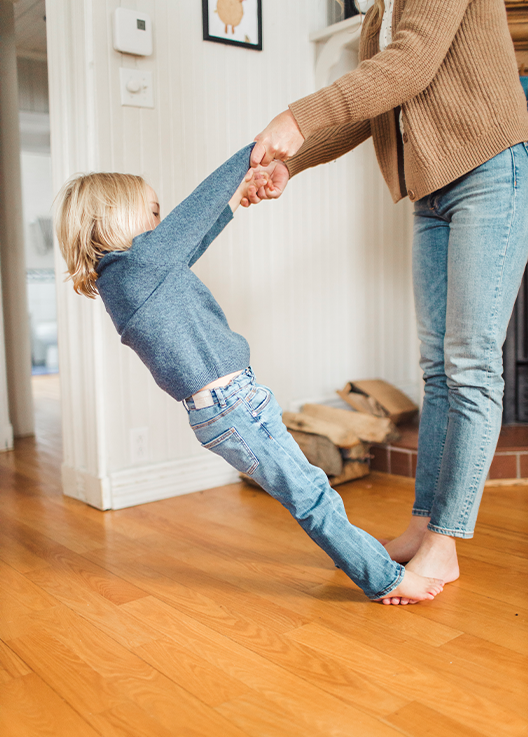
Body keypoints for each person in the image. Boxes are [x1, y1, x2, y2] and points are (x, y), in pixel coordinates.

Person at [54, 143, 444, 604]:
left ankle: (361, 560)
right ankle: (385, 580)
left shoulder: (129, 275)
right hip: (233, 407)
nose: (161, 226)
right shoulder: (135, 269)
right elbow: (196, 212)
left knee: (310, 493)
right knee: (313, 497)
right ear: (115, 219)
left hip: (235, 404)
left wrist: (236, 200)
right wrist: (252, 154)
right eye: (153, 215)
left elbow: (191, 239)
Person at [245, 0, 528, 604]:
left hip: (489, 171)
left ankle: (446, 542)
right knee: (437, 369)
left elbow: (411, 66)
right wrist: (293, 163)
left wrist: (296, 115)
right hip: (431, 193)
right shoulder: (381, 14)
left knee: (472, 365)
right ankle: (425, 522)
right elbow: (373, 109)